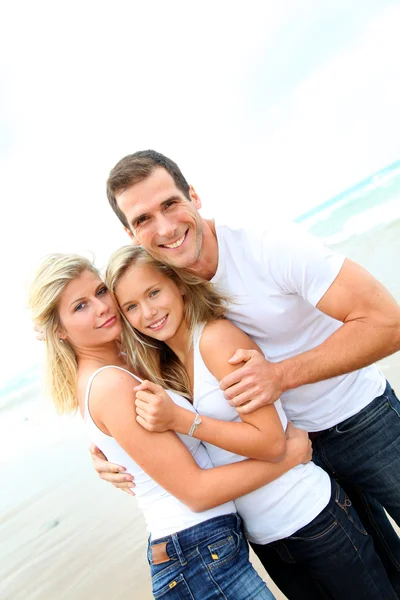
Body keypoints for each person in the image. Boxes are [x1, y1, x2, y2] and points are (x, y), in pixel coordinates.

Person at [92, 149, 400, 594]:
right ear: (130, 233)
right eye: (143, 219)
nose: (164, 228)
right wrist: (107, 449)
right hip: (296, 462)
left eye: (170, 204)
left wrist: (280, 376)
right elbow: (118, 370)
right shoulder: (168, 295)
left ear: (194, 196)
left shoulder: (266, 246)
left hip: (361, 421)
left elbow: (387, 323)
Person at [29, 252, 323, 599]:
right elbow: (196, 492)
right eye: (80, 306)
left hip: (203, 551)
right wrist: (288, 457)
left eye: (100, 292)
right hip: (195, 556)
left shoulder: (124, 363)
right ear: (59, 330)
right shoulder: (110, 384)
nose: (102, 308)